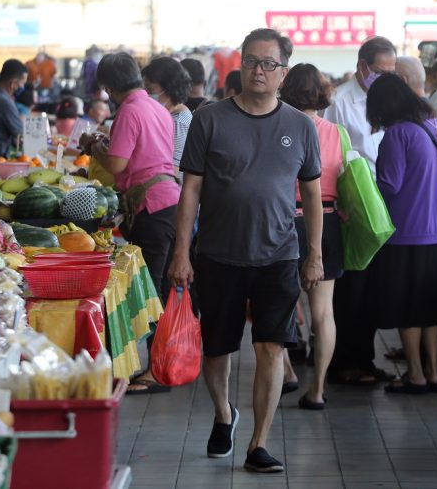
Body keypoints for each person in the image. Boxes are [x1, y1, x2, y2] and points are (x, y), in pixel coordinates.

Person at [168, 28, 323, 473]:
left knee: (272, 347)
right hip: (218, 254)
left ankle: (258, 443)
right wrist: (182, 253)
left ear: (283, 72)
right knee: (218, 348)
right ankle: (223, 413)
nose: (258, 70)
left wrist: (314, 255)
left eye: (268, 64)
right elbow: (190, 191)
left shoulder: (299, 125)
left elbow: (311, 196)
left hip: (279, 256)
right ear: (241, 65)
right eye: (251, 61)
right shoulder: (210, 119)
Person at [88, 52, 180, 395]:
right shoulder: (157, 106)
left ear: (109, 87)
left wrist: (94, 147)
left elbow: (116, 164)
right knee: (165, 288)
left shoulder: (128, 110)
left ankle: (158, 371)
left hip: (151, 207)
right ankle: (167, 364)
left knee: (151, 288)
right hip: (171, 201)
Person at [367, 73, 437, 394]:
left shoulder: (398, 134)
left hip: (407, 230)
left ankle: (415, 374)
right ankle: (433, 372)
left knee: (408, 304)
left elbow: (388, 185)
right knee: (429, 303)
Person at [322, 36, 397, 386]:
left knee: (373, 287)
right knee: (350, 286)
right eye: (381, 71)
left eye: (392, 72)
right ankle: (343, 361)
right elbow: (330, 155)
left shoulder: (388, 101)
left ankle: (365, 358)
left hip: (381, 202)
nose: (387, 78)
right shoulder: (339, 100)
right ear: (363, 67)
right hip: (350, 205)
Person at [279, 64, 343, 410]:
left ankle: (288, 370)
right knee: (323, 313)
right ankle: (317, 390)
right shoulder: (337, 132)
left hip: (286, 221)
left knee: (281, 305)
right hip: (329, 222)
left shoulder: (281, 127)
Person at [142, 57, 193, 176]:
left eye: (150, 90)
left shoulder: (178, 122)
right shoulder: (167, 115)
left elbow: (174, 170)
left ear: (169, 88)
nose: (147, 95)